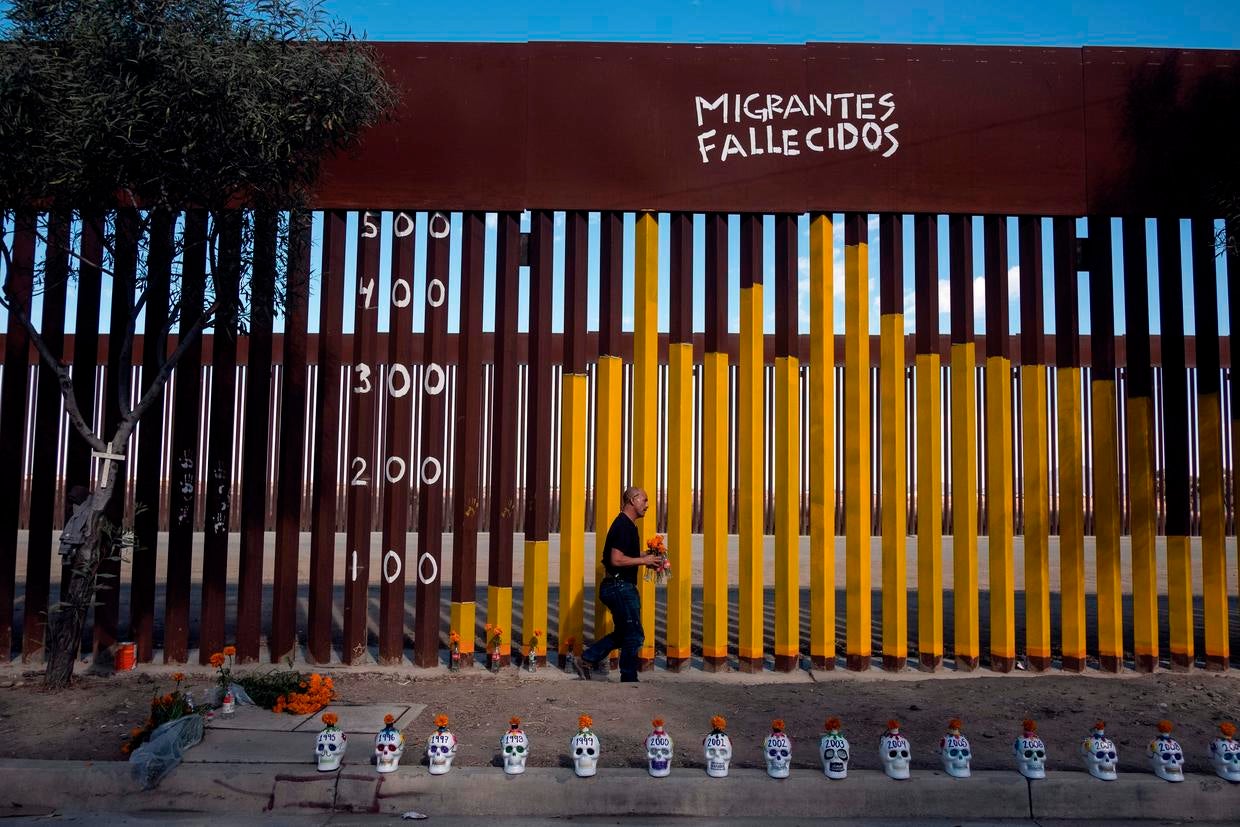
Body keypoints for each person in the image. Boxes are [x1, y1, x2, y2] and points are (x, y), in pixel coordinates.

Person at [576, 486, 659, 683]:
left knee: (624, 633)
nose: (647, 505)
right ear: (633, 500)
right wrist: (644, 562)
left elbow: (623, 555)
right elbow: (616, 560)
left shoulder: (627, 525)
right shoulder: (623, 525)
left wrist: (646, 555)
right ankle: (629, 678)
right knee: (635, 636)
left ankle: (587, 659)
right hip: (619, 586)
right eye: (645, 500)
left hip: (618, 586)